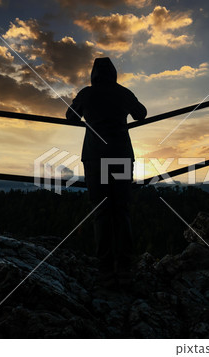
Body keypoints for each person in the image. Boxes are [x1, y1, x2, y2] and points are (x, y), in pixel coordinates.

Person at [66, 57, 147, 287]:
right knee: (121, 210)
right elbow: (141, 113)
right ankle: (124, 268)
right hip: (121, 157)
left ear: (93, 74)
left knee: (101, 211)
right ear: (114, 74)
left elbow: (70, 117)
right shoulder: (122, 92)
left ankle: (104, 270)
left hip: (95, 159)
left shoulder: (86, 94)